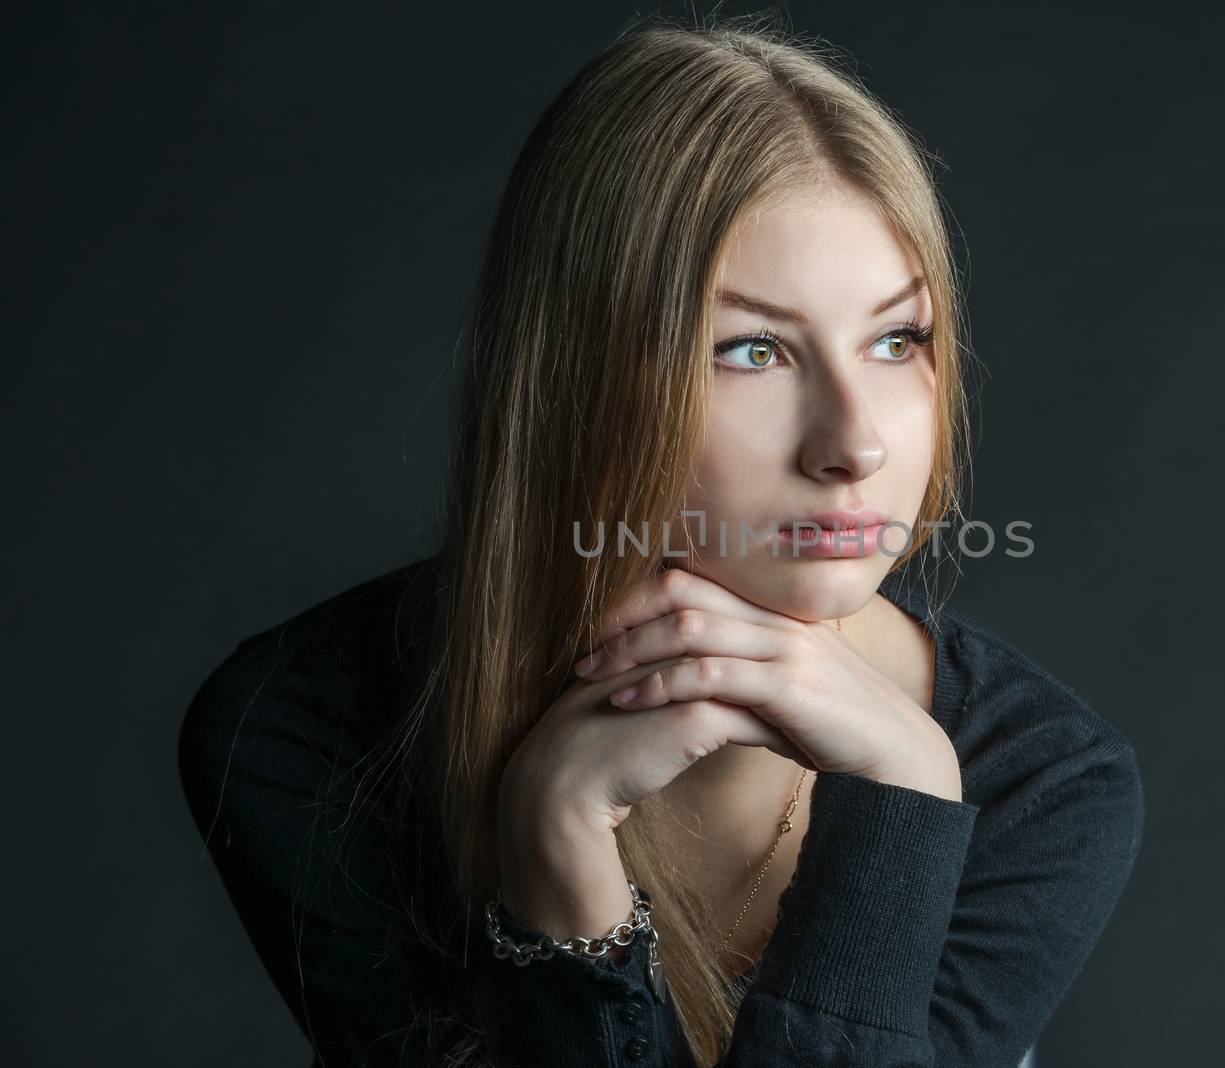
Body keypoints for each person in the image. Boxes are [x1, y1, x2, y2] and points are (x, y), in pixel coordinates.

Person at [177, 14, 1144, 1067]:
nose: (855, 443)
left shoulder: (1043, 781)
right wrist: (555, 853)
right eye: (753, 350)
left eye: (894, 338)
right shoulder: (302, 726)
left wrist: (904, 806)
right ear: (579, 378)